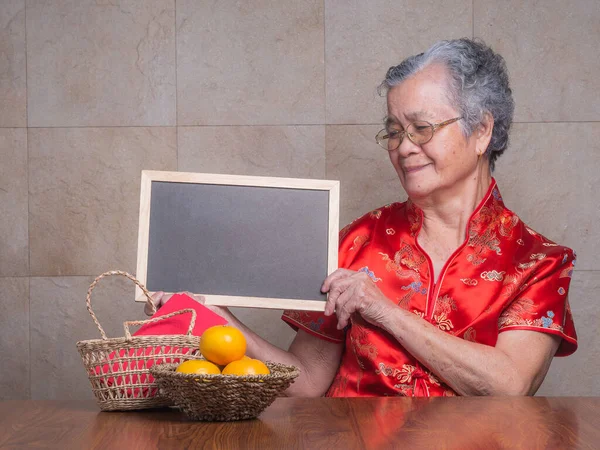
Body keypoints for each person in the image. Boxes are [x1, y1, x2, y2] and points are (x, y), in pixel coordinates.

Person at [149, 38, 577, 397]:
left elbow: (509, 386)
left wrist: (383, 310)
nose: (404, 147)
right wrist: (218, 317)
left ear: (482, 130)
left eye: (421, 128)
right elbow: (307, 380)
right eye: (393, 131)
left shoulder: (538, 261)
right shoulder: (357, 242)